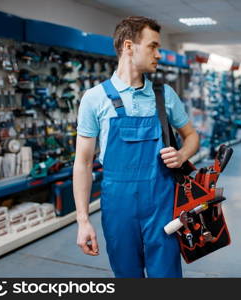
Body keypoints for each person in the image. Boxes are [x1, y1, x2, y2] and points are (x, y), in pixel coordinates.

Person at [73, 16, 200, 278]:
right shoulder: (94, 99)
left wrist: (182, 154)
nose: (158, 54)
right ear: (129, 46)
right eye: (153, 46)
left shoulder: (163, 95)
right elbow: (83, 163)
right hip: (118, 207)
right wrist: (83, 221)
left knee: (166, 276)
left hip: (162, 203)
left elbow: (192, 136)